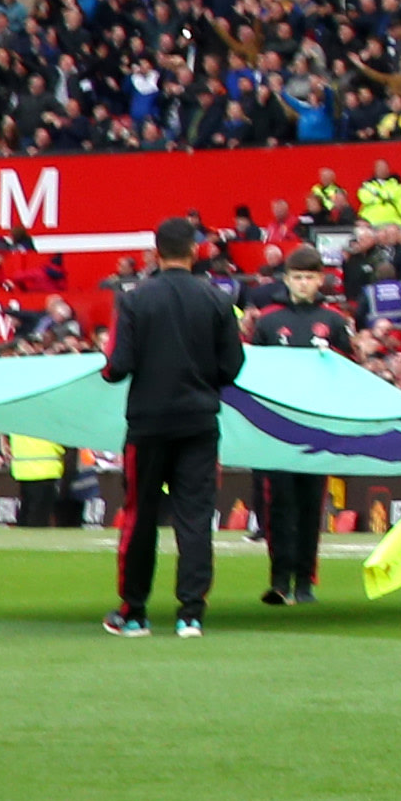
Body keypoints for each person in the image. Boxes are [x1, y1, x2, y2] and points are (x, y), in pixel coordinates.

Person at [101, 213, 242, 639]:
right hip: (199, 421)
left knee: (139, 516)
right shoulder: (217, 299)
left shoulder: (135, 299)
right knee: (195, 518)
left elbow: (116, 366)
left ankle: (135, 611)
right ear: (195, 251)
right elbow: (233, 365)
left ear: (155, 252)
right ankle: (191, 613)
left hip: (148, 423)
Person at [248, 255, 344, 605]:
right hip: (276, 427)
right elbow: (253, 372)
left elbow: (348, 372)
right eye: (297, 277)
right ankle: (279, 580)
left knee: (309, 505)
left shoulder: (333, 322)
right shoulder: (270, 323)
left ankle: (305, 582)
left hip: (316, 427)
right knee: (278, 506)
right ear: (286, 279)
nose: (303, 283)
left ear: (321, 280)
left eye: (309, 277)